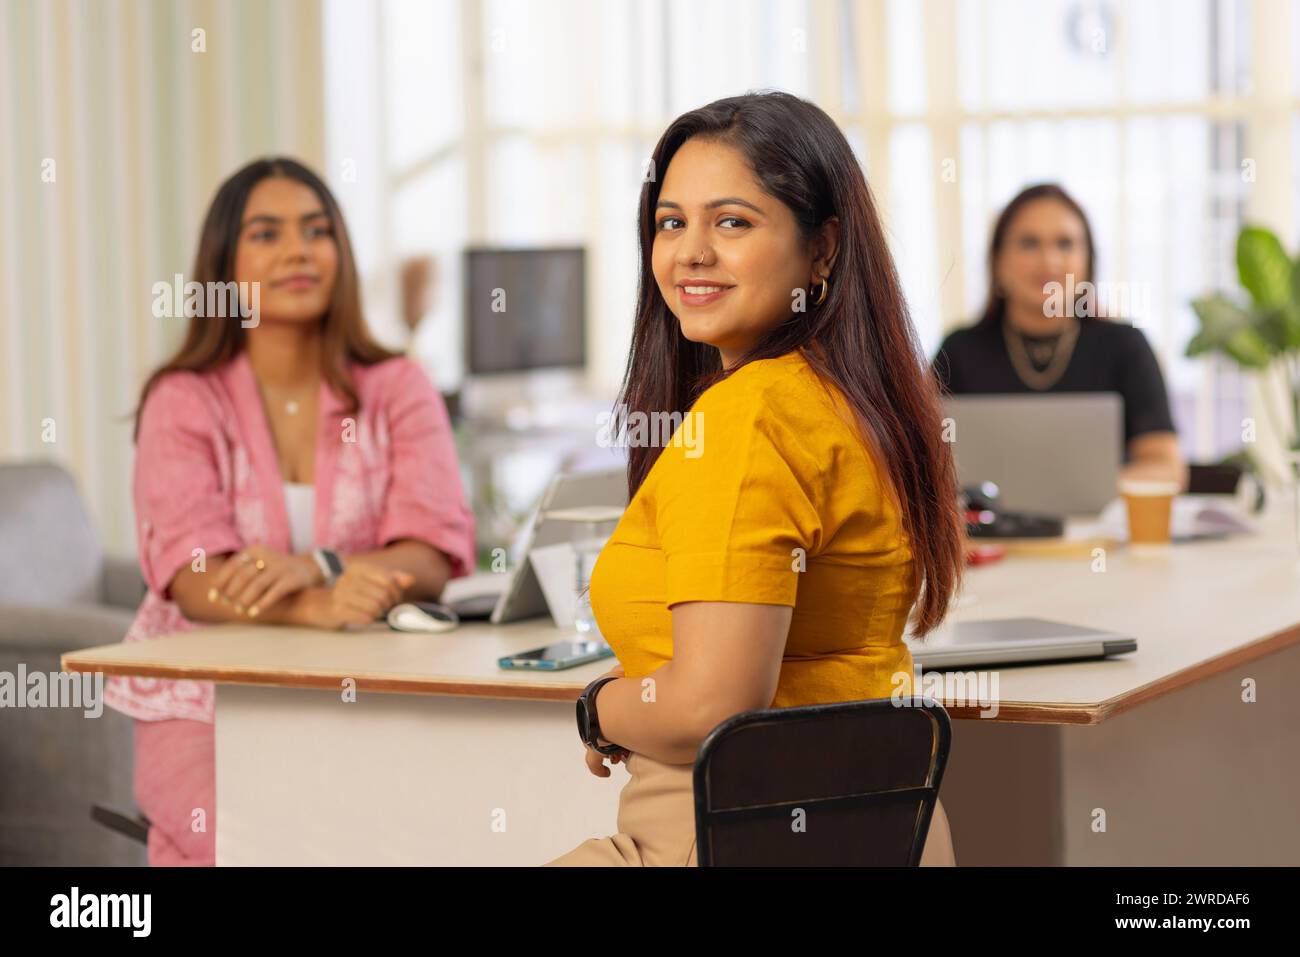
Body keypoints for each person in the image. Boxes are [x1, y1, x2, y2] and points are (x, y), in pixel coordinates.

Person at [546, 92, 964, 867]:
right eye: (671, 222)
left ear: (823, 248)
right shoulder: (855, 401)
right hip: (885, 831)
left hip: (724, 833)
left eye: (732, 221)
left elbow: (714, 704)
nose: (690, 252)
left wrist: (600, 706)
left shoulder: (746, 419)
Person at [105, 157, 476, 866]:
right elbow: (191, 575)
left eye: (316, 231)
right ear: (225, 263)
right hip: (201, 702)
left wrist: (319, 566)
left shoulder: (399, 386)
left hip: (370, 693)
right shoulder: (183, 398)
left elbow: (427, 555)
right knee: (255, 848)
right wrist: (318, 603)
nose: (299, 250)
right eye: (267, 234)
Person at [933, 183, 1187, 488]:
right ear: (998, 262)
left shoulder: (1125, 347)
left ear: (1087, 263)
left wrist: (1083, 490)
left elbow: (1167, 468)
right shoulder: (959, 351)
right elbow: (916, 459)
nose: (1048, 261)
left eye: (1065, 244)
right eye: (1029, 243)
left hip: (1099, 532)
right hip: (986, 533)